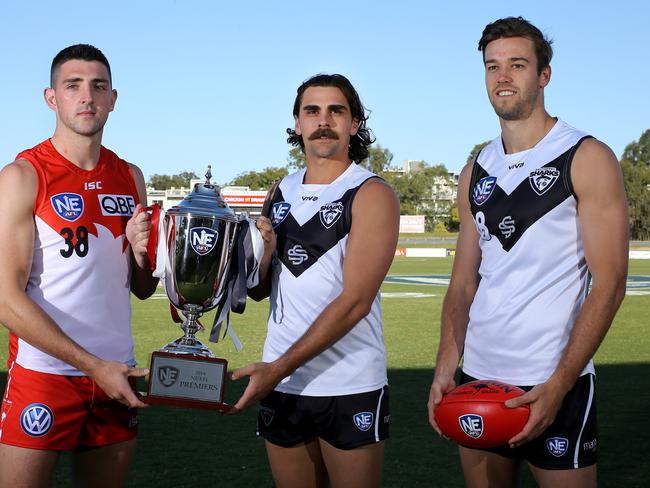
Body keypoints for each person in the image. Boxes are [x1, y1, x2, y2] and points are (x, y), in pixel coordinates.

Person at [427, 16, 628, 488]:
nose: (503, 77)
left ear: (544, 74)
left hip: (552, 377)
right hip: (478, 375)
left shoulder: (586, 156)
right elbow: (462, 283)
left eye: (517, 65)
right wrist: (444, 366)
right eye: (492, 66)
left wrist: (559, 385)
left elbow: (611, 283)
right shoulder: (475, 168)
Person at [229, 74, 400, 488]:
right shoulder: (279, 191)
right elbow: (258, 290)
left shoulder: (371, 192)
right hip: (284, 383)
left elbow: (356, 302)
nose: (324, 121)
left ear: (354, 123)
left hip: (348, 382)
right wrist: (264, 255)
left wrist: (277, 368)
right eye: (312, 111)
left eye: (336, 111)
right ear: (298, 122)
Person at [0, 44, 158, 487]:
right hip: (46, 376)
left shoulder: (131, 177)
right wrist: (91, 366)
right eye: (73, 86)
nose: (87, 96)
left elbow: (143, 287)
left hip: (117, 373)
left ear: (113, 98)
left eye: (98, 86)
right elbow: (5, 298)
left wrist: (141, 252)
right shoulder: (23, 175)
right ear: (52, 98)